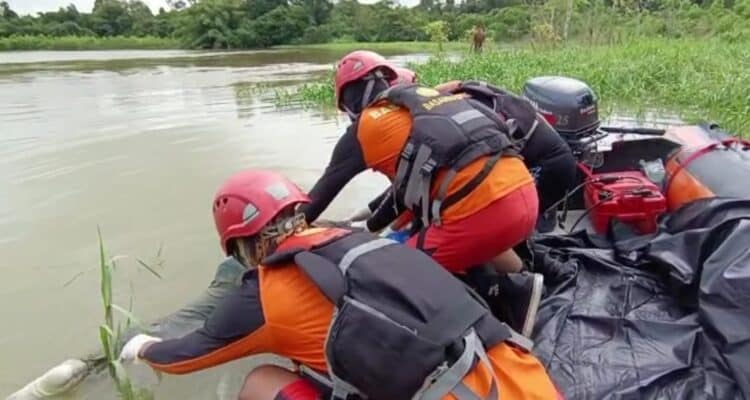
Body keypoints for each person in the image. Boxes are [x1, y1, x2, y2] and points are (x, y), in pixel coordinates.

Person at [117, 169, 563, 400]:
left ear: (241, 246)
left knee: (260, 380)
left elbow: (184, 358)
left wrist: (141, 348)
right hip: (524, 379)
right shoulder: (362, 242)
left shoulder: (265, 292)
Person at [298, 50, 543, 337]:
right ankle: (522, 280)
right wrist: (369, 224)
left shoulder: (366, 128)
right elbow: (405, 196)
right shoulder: (427, 102)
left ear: (349, 101)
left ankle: (497, 316)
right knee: (459, 223)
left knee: (389, 274)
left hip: (485, 215)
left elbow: (312, 205)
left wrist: (287, 235)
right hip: (525, 197)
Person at [433, 80, 577, 233]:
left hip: (552, 166)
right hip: (543, 157)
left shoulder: (472, 110)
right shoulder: (474, 92)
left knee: (518, 226)